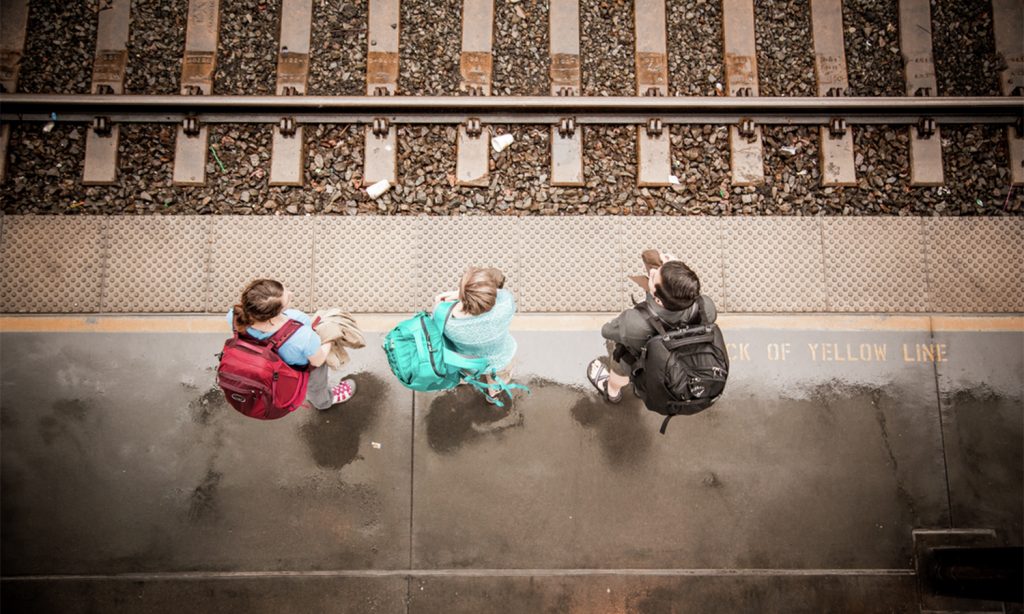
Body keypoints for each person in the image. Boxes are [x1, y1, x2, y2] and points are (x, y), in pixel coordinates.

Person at [587, 251, 711, 403]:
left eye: (653, 277)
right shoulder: (707, 307)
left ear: (658, 300)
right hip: (677, 365)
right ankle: (641, 390)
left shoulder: (634, 323)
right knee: (647, 382)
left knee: (621, 365)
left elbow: (607, 331)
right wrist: (677, 273)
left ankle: (612, 392)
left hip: (643, 361)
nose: (651, 272)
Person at [229, 279, 356, 410]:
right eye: (287, 299)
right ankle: (323, 402)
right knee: (315, 386)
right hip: (298, 367)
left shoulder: (234, 315)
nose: (291, 293)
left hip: (265, 363)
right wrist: (330, 338)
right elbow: (318, 361)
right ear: (273, 314)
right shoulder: (301, 331)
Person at [435, 267, 519, 408]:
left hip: (467, 361)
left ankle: (464, 381)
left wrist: (444, 300)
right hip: (499, 359)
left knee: (465, 372)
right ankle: (493, 395)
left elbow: (437, 328)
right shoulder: (505, 306)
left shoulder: (448, 319)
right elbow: (501, 293)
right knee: (497, 378)